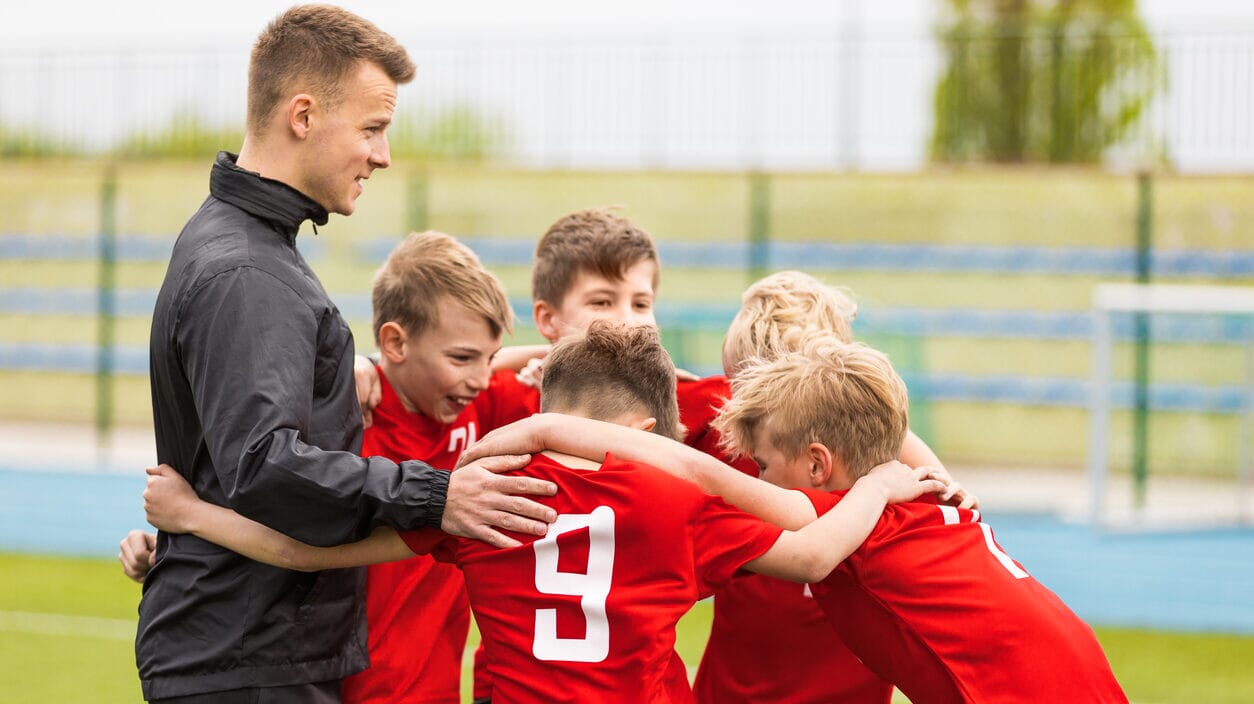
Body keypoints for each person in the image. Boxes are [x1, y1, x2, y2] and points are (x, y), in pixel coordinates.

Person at [140, 323, 949, 704]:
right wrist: (881, 483)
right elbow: (815, 554)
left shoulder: (480, 498)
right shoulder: (679, 502)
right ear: (642, 433)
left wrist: (191, 513)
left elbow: (305, 552)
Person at [135, 7, 555, 702]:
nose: (382, 155)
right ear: (302, 115)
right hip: (251, 661)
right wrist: (438, 494)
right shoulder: (248, 270)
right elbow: (264, 465)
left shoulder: (249, 249)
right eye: (373, 127)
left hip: (251, 652)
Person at [461, 334, 1127, 703]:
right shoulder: (910, 494)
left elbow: (723, 489)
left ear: (815, 464)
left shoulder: (857, 510)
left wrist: (548, 426)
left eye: (764, 465)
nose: (757, 479)